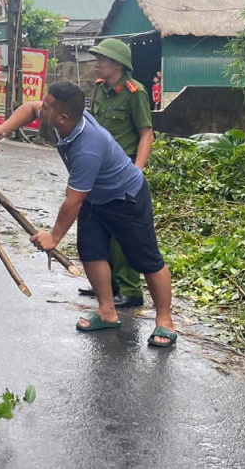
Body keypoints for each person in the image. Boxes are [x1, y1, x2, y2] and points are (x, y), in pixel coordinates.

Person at [0, 81, 177, 348]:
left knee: (147, 259)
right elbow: (30, 109)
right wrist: (2, 129)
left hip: (126, 198)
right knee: (91, 251)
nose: (43, 107)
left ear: (62, 117)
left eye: (48, 106)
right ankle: (107, 312)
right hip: (95, 197)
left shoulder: (88, 146)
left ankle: (165, 321)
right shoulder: (62, 117)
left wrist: (53, 237)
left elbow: (72, 203)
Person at [81, 38, 154, 309]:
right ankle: (106, 285)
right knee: (100, 228)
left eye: (102, 59)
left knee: (124, 232)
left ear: (118, 64)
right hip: (100, 170)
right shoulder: (100, 90)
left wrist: (138, 170)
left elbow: (146, 133)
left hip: (124, 171)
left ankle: (131, 290)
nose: (97, 64)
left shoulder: (135, 93)